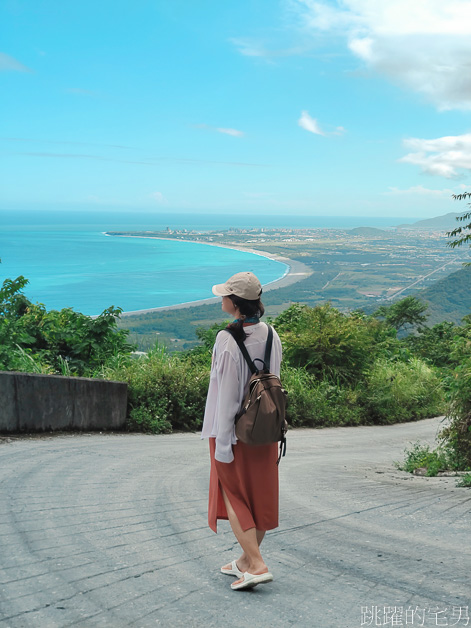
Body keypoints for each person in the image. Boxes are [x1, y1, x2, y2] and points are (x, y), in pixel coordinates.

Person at [201, 271, 283, 591]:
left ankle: (258, 565)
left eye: (224, 295)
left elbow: (227, 394)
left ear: (234, 303)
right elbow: (273, 379)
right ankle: (246, 561)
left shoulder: (227, 339)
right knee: (256, 496)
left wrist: (223, 440)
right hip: (264, 427)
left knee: (234, 496)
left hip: (234, 432)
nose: (220, 298)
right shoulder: (272, 333)